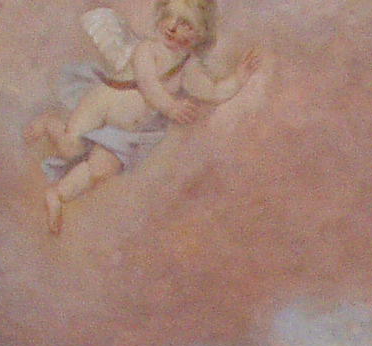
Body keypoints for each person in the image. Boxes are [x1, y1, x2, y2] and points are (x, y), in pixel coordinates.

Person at [24, 0, 260, 233]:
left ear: (200, 33)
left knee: (100, 170)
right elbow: (148, 84)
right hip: (103, 104)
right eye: (169, 16)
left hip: (125, 131)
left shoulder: (190, 67)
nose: (172, 27)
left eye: (184, 23)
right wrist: (170, 107)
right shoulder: (147, 49)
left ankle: (57, 194)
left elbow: (212, 91)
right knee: (70, 147)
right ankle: (50, 123)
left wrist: (238, 79)